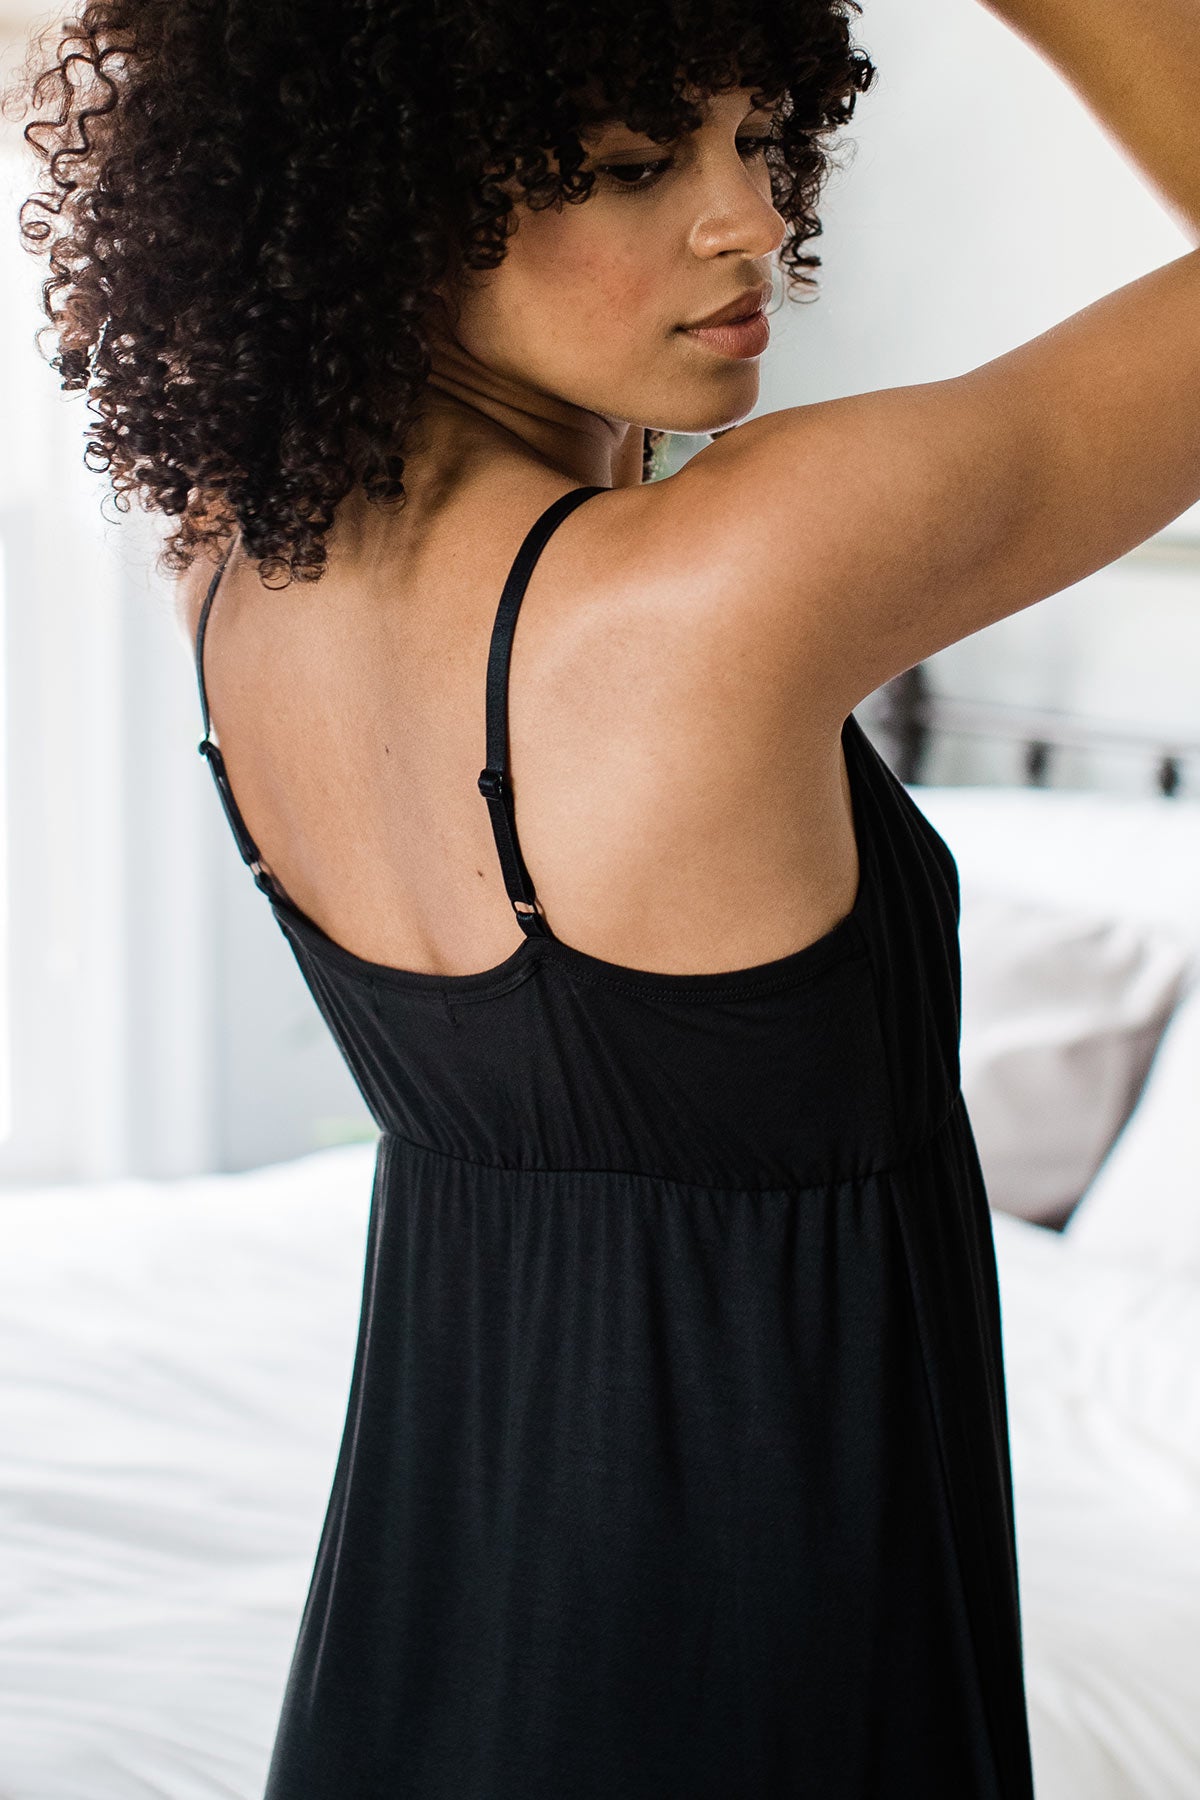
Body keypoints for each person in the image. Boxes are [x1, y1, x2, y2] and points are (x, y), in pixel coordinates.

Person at [9, 0, 1200, 1793]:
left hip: (410, 1666)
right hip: (761, 1671)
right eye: (636, 164)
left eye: (754, 137)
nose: (750, 221)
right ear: (391, 196)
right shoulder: (734, 583)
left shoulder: (228, 573)